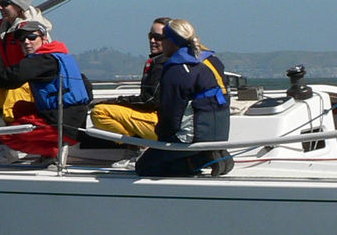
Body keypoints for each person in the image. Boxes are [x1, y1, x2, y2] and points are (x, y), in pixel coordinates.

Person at [0, 15, 91, 165]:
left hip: (60, 125)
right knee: (20, 108)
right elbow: (87, 88)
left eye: (32, 37)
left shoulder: (42, 60)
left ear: (44, 39)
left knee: (9, 136)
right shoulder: (63, 58)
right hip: (74, 123)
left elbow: (14, 76)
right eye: (22, 39)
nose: (26, 42)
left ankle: (53, 152)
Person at [135, 18, 232, 177]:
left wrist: (161, 140)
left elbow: (170, 114)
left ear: (172, 41)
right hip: (219, 133)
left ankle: (201, 159)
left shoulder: (177, 70)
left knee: (145, 167)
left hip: (193, 137)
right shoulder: (211, 60)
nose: (160, 43)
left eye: (162, 38)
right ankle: (217, 154)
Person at [87, 17, 172, 140]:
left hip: (158, 121)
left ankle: (135, 144)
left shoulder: (163, 64)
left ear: (170, 40)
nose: (152, 41)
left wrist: (114, 101)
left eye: (158, 37)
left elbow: (150, 101)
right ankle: (136, 143)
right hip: (158, 118)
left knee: (99, 112)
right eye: (150, 36)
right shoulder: (160, 61)